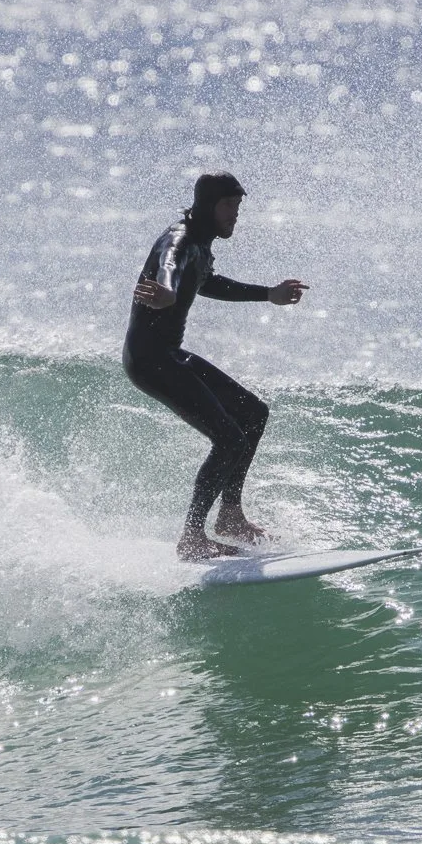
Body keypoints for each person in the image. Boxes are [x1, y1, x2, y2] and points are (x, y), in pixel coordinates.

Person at [124, 172, 309, 560]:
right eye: (228, 206)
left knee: (254, 414)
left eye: (238, 207)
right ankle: (192, 537)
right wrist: (166, 292)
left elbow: (208, 283)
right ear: (207, 204)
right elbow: (169, 265)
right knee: (228, 440)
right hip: (150, 360)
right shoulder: (179, 239)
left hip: (169, 355)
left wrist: (268, 295)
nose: (235, 215)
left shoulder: (201, 245)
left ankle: (229, 517)